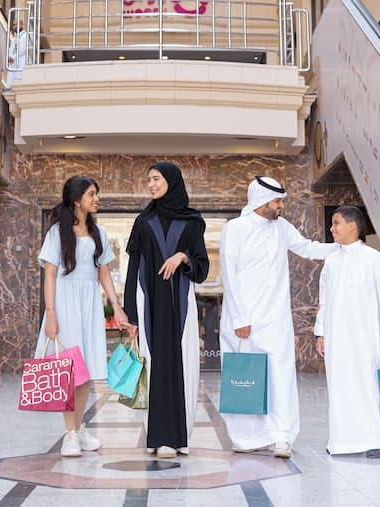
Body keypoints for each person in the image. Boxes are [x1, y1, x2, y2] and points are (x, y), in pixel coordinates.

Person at [218, 176, 337, 459]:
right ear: (261, 200)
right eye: (277, 201)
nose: (281, 206)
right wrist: (239, 318)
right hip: (243, 320)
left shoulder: (281, 228)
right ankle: (247, 437)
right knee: (244, 376)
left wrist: (343, 246)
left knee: (280, 376)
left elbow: (308, 248)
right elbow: (229, 274)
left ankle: (281, 435)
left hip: (276, 319)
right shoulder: (235, 229)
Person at [35, 175, 130, 457]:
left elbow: (104, 274)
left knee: (85, 371)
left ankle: (77, 429)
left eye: (96, 193)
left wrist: (117, 306)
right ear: (77, 200)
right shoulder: (57, 233)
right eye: (91, 194)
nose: (96, 199)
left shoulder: (99, 234)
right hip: (64, 303)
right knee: (68, 371)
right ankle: (70, 434)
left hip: (89, 304)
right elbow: (50, 275)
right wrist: (50, 314)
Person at [123, 162, 209, 459]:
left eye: (156, 179)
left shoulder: (193, 221)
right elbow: (132, 269)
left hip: (180, 303)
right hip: (149, 301)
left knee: (181, 362)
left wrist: (183, 256)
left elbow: (202, 267)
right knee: (154, 363)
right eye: (149, 180)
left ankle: (180, 437)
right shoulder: (143, 222)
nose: (151, 184)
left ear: (171, 181)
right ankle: (159, 437)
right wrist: (130, 315)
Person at [314, 205, 380, 457]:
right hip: (336, 337)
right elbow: (324, 301)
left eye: (336, 223)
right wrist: (321, 333)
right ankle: (341, 442)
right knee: (339, 387)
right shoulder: (331, 261)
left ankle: (375, 440)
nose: (332, 229)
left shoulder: (373, 258)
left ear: (352, 226)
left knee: (367, 385)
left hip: (365, 336)